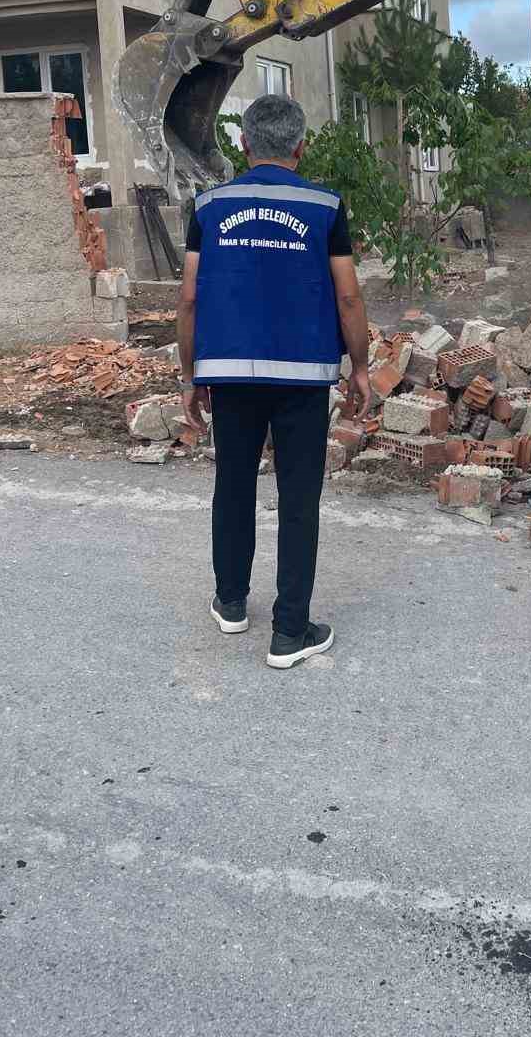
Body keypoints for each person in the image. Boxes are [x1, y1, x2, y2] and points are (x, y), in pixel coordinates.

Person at [177, 93, 371, 669]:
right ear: (300, 147)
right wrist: (360, 367)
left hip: (229, 372)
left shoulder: (209, 206)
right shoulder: (325, 207)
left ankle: (232, 602)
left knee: (233, 483)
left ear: (243, 144)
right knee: (299, 496)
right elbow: (348, 296)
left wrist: (190, 375)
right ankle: (290, 631)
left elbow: (188, 299)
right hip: (302, 377)